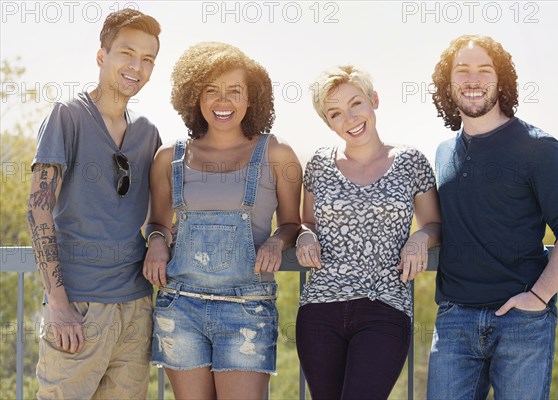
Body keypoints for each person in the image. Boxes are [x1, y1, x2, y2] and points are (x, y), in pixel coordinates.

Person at [426, 34, 558, 400]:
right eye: (462, 70)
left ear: (501, 80)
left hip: (522, 320)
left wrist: (538, 296)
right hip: (454, 320)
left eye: (484, 70)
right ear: (448, 83)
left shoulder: (538, 148)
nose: (473, 80)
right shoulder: (443, 152)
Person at [142, 41, 302, 399]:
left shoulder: (277, 154)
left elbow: (292, 223)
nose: (223, 101)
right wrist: (155, 240)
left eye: (234, 91)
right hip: (180, 306)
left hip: (247, 309)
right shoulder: (169, 157)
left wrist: (277, 241)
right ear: (195, 97)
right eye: (211, 91)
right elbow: (157, 222)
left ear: (251, 97)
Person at [26, 9, 162, 400]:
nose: (136, 66)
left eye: (148, 59)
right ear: (102, 56)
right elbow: (38, 209)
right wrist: (58, 303)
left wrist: (156, 239)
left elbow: (160, 213)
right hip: (79, 308)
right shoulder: (68, 116)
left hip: (135, 307)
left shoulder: (147, 133)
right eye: (126, 53)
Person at [294, 65, 441, 400]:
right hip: (320, 309)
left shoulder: (410, 161)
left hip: (385, 307)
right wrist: (305, 236)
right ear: (327, 122)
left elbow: (434, 224)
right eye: (335, 113)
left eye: (356, 103)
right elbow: (308, 222)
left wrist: (419, 238)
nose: (349, 118)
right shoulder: (318, 163)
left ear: (374, 100)